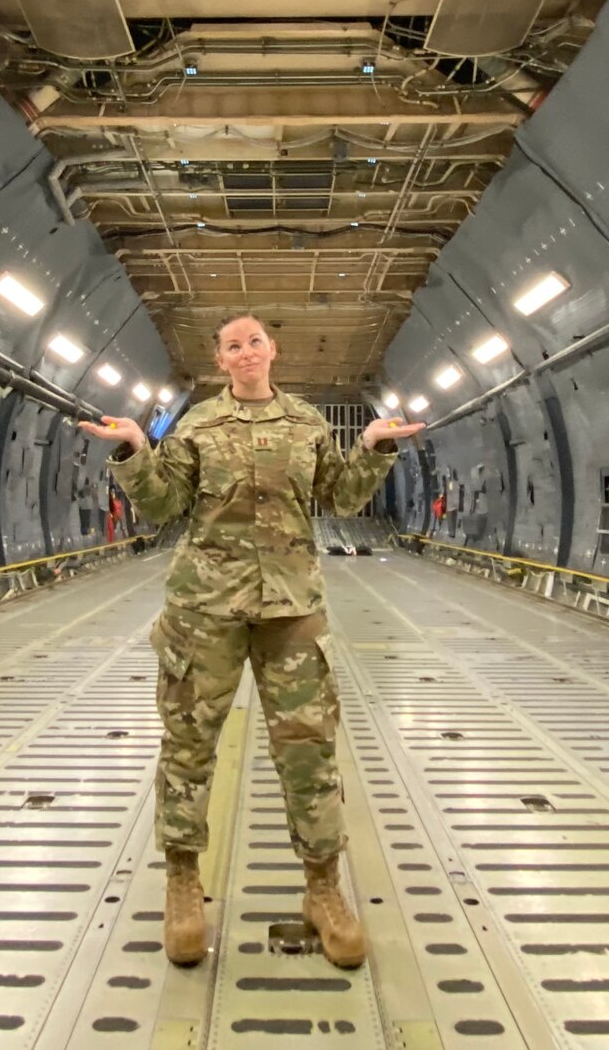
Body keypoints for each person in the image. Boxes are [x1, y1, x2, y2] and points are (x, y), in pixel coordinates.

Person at [79, 314, 423, 968]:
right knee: (188, 745)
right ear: (219, 358)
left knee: (309, 751)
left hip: (291, 607)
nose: (244, 352)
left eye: (254, 342)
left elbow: (342, 498)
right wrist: (133, 452)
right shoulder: (198, 426)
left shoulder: (306, 425)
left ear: (273, 351)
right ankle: (183, 884)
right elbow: (161, 506)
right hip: (204, 607)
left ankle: (322, 889)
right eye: (232, 345)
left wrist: (374, 447)